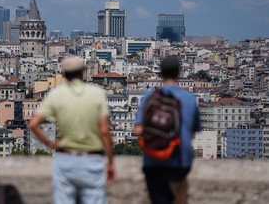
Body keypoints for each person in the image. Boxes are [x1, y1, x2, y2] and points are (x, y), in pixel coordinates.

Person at [28, 56, 115, 204]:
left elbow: (33, 124)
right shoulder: (96, 94)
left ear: (64, 74)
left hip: (66, 158)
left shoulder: (56, 95)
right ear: (83, 72)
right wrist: (111, 161)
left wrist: (50, 144)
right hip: (92, 159)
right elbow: (104, 131)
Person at [134, 56, 201, 204]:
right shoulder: (189, 98)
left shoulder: (149, 97)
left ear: (160, 74)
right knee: (180, 192)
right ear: (179, 72)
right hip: (179, 159)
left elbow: (138, 130)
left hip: (153, 159)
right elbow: (192, 134)